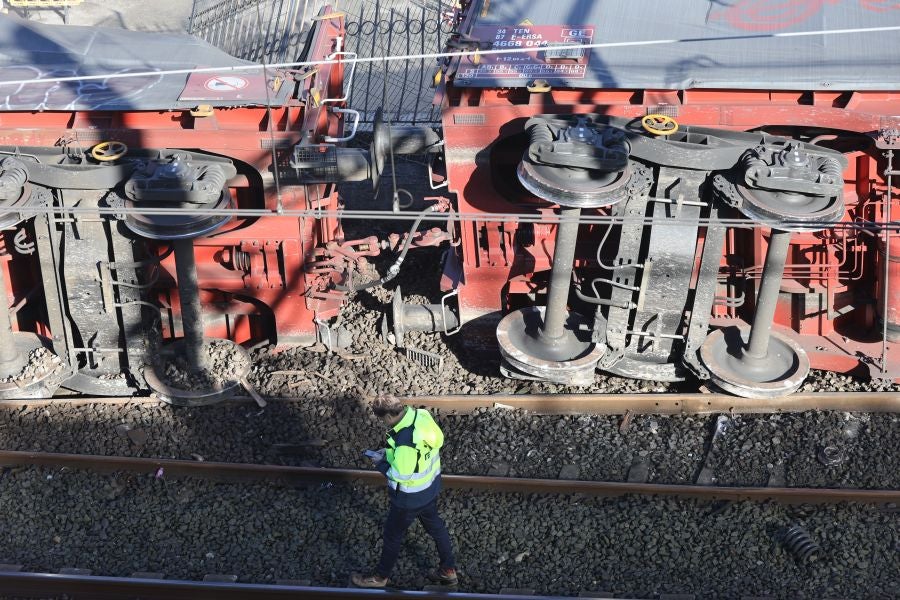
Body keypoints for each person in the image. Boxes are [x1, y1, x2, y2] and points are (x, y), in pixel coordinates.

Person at [351, 394, 457, 588]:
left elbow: (400, 474)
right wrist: (389, 454)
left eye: (383, 420)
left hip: (409, 499)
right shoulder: (421, 415)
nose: (384, 424)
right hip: (430, 489)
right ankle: (448, 570)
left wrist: (381, 463)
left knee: (392, 536)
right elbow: (419, 455)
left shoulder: (405, 442)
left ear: (389, 417)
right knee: (437, 529)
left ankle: (380, 577)